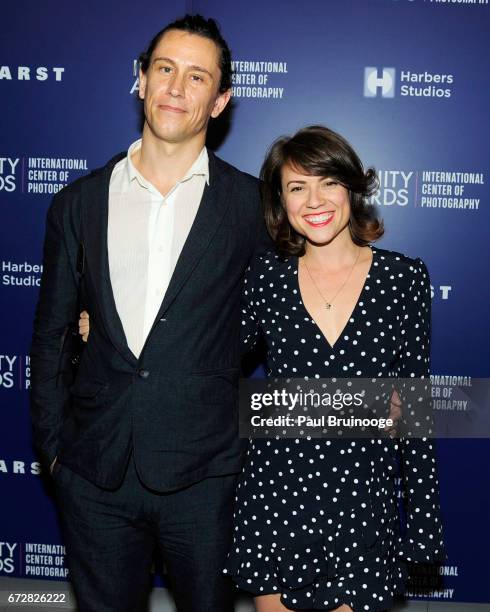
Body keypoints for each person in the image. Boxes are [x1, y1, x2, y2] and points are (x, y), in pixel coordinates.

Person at [30, 14, 270, 612]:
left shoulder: (251, 207)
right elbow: (52, 337)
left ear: (220, 102)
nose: (175, 87)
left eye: (197, 77)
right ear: (140, 79)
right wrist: (55, 452)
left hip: (206, 476)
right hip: (94, 471)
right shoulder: (77, 203)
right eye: (164, 69)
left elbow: (278, 323)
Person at [221, 126, 445, 612]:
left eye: (327, 182)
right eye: (297, 187)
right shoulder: (265, 278)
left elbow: (417, 412)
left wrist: (424, 530)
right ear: (281, 202)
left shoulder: (402, 279)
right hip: (276, 500)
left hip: (362, 508)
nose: (314, 200)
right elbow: (209, 361)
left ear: (351, 187)